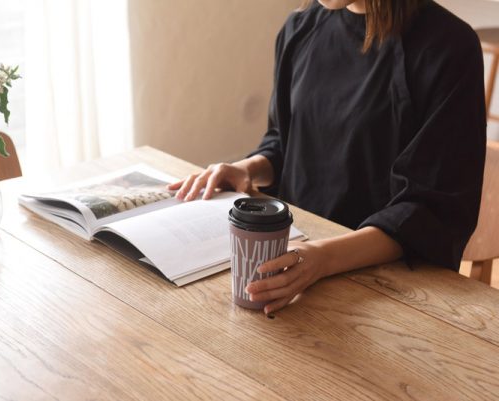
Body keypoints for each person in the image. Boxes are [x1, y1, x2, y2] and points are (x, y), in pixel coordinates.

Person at [168, 0, 487, 314]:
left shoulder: (449, 47)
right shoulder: (299, 29)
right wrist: (249, 169)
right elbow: (284, 141)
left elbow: (431, 212)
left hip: (384, 290)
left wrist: (322, 258)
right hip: (294, 270)